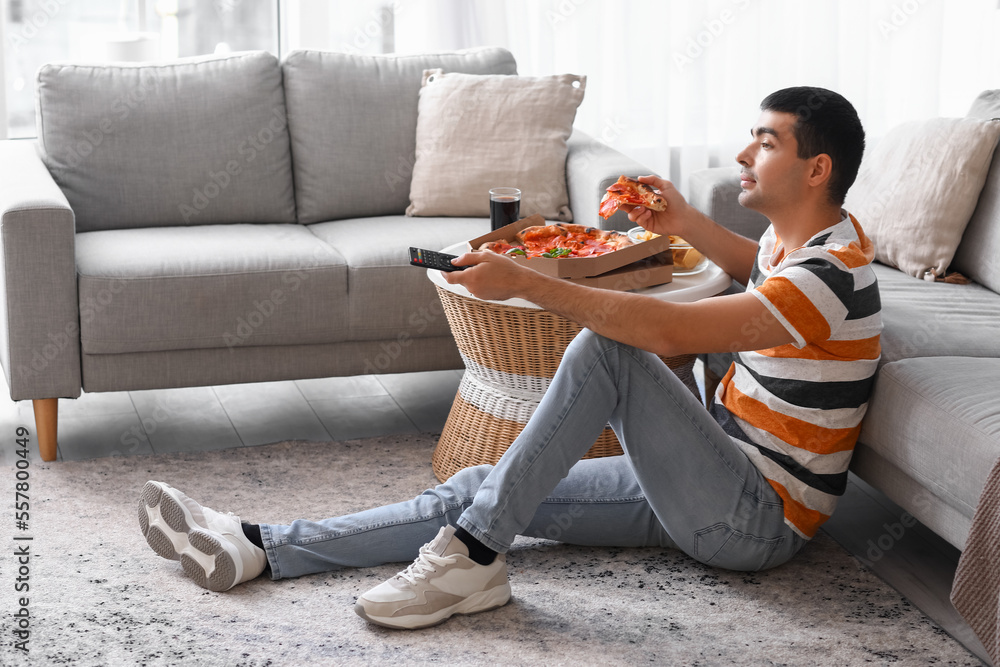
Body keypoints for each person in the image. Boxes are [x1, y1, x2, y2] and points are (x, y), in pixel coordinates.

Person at [138, 86, 880, 630]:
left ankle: (471, 557)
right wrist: (682, 219)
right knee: (485, 485)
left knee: (606, 348)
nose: (746, 154)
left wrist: (526, 281)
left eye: (767, 141)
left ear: (816, 169)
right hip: (710, 476)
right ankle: (262, 547)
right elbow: (757, 266)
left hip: (755, 519)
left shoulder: (829, 275)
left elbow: (668, 335)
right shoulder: (802, 247)